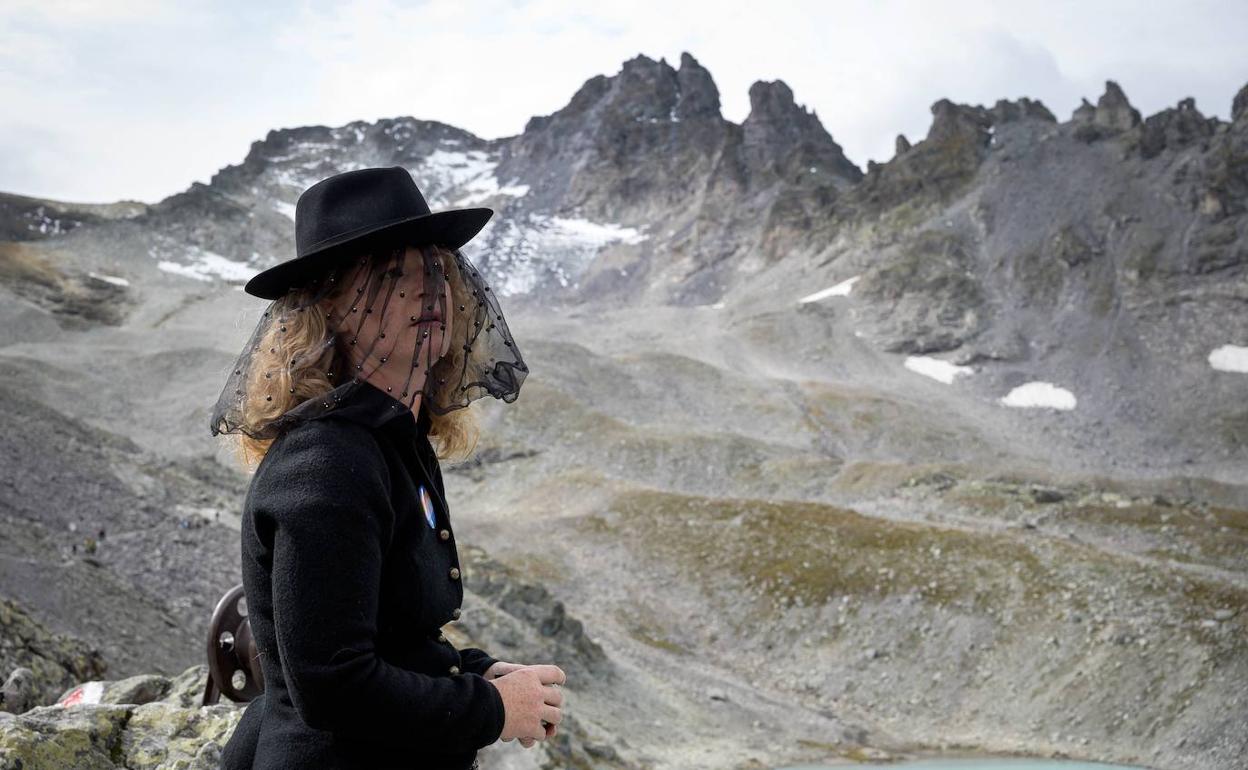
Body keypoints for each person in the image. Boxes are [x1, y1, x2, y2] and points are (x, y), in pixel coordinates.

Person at [209, 166, 564, 769]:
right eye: (390, 274)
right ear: (330, 308)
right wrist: (493, 707)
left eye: (436, 270)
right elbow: (333, 684)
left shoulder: (386, 439)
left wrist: (478, 671)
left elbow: (388, 635)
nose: (426, 289)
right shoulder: (327, 464)